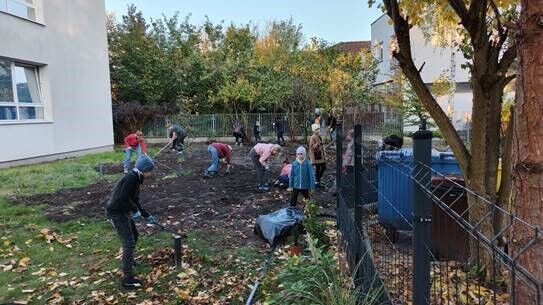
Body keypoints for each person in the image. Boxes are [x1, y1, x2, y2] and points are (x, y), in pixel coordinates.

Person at [106, 155, 158, 289]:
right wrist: (135, 211)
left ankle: (130, 261)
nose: (151, 173)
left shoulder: (136, 178)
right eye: (150, 170)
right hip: (117, 212)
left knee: (134, 235)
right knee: (128, 243)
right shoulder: (131, 178)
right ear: (145, 169)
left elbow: (134, 199)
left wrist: (146, 215)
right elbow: (123, 197)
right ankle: (127, 278)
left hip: (123, 210)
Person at [309, 123, 326, 188]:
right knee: (319, 168)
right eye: (316, 129)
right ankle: (317, 181)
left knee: (323, 167)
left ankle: (317, 180)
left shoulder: (319, 136)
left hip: (320, 155)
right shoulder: (313, 137)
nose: (318, 130)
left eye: (318, 129)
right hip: (316, 156)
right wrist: (318, 144)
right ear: (314, 130)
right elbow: (311, 146)